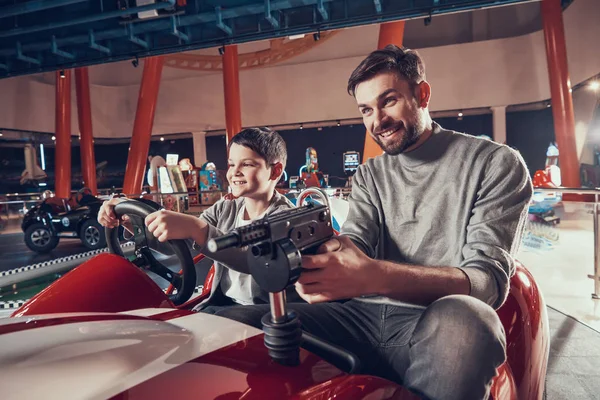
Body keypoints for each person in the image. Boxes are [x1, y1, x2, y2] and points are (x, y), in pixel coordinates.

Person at [212, 45, 533, 400]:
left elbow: (486, 283)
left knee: (470, 321)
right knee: (220, 322)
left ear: (422, 95)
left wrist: (373, 275)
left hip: (434, 321)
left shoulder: (494, 163)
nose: (377, 120)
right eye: (366, 109)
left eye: (389, 101)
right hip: (358, 317)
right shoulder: (370, 174)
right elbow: (356, 244)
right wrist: (321, 257)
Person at [98, 127, 298, 307]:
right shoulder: (224, 209)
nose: (235, 172)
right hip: (225, 303)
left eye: (246, 164)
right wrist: (131, 222)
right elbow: (176, 245)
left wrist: (197, 229)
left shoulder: (286, 218)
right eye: (231, 164)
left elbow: (252, 260)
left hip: (266, 312)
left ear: (275, 171)